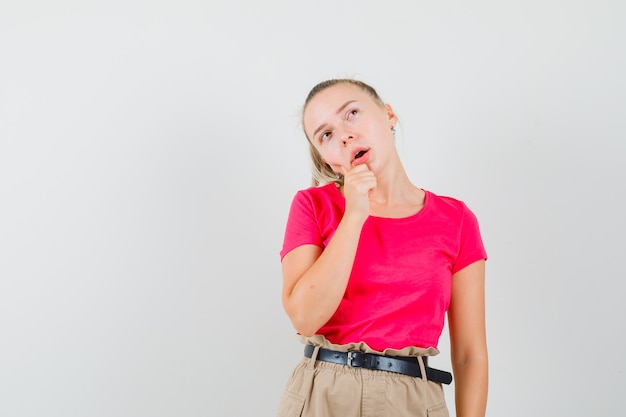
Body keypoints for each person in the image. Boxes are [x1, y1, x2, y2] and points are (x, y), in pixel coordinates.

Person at [277, 78, 488, 417]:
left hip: (413, 399)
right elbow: (305, 319)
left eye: (352, 114)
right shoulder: (312, 206)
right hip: (323, 395)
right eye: (326, 135)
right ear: (328, 160)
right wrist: (354, 215)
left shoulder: (456, 220)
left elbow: (469, 354)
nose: (344, 135)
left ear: (388, 115)